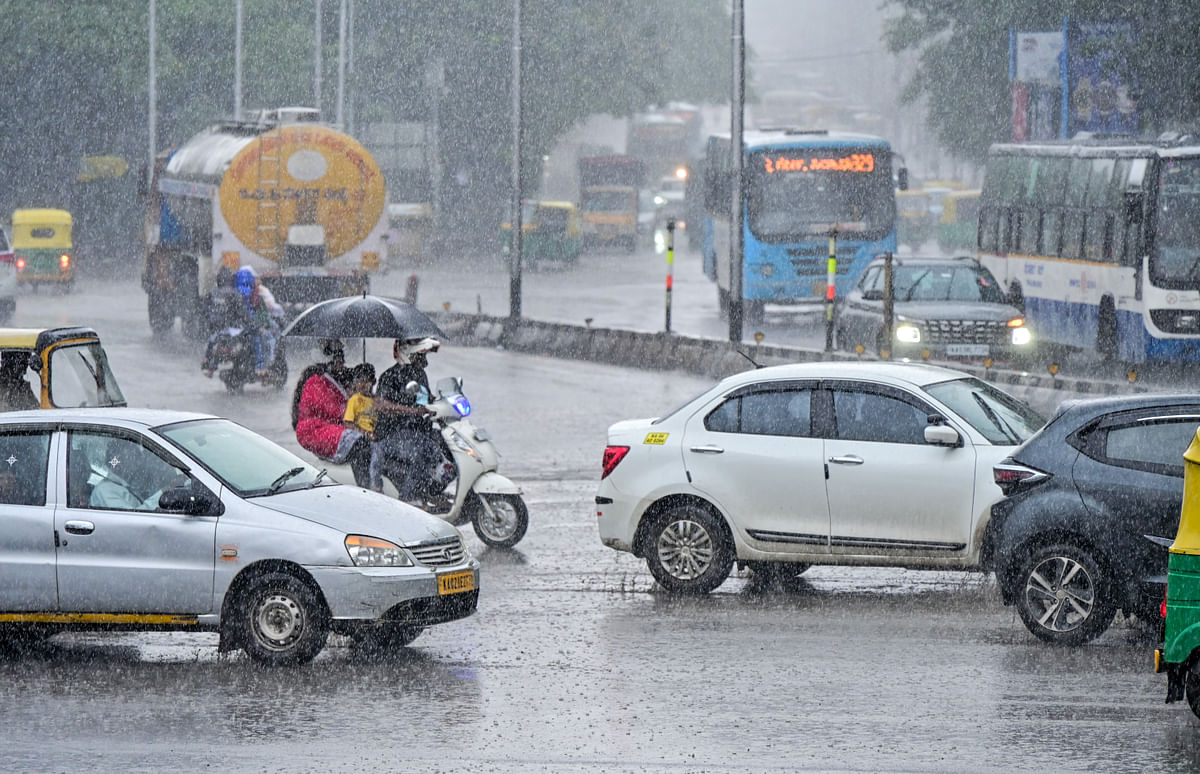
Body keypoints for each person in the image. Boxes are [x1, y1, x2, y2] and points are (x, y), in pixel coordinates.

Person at [373, 337, 448, 506]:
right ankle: (408, 498)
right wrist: (412, 411)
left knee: (449, 448)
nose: (425, 362)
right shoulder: (390, 376)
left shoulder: (420, 375)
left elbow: (426, 399)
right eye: (421, 357)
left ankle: (430, 491)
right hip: (393, 434)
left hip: (418, 431)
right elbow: (381, 404)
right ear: (408, 354)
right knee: (422, 452)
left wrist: (443, 406)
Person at [293, 339, 372, 488]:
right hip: (315, 430)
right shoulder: (315, 382)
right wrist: (354, 404)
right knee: (360, 444)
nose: (342, 365)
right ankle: (365, 487)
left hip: (334, 427)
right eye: (338, 361)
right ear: (329, 362)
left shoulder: (340, 380)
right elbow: (334, 411)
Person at [201, 266, 250, 378]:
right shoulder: (235, 293)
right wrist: (247, 321)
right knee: (247, 343)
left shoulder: (212, 293)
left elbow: (204, 311)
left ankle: (209, 366)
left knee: (212, 344)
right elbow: (243, 313)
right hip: (232, 329)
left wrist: (210, 322)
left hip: (217, 330)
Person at [343, 362, 384, 492]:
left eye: (366, 381)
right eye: (359, 381)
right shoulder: (355, 400)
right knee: (374, 456)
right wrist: (366, 433)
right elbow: (348, 422)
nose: (362, 385)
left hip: (376, 436)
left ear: (373, 381)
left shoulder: (377, 400)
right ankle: (374, 485)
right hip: (361, 438)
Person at [234, 266, 280, 378]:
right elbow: (253, 315)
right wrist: (260, 327)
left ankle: (263, 365)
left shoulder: (240, 293)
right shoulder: (252, 294)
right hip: (249, 326)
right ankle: (264, 366)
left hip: (243, 326)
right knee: (264, 339)